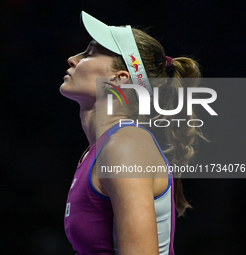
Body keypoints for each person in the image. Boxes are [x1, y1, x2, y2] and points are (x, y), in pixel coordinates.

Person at [60, 11, 205, 255]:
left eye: (89, 53)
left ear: (119, 79)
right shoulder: (101, 149)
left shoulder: (125, 146)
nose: (73, 59)